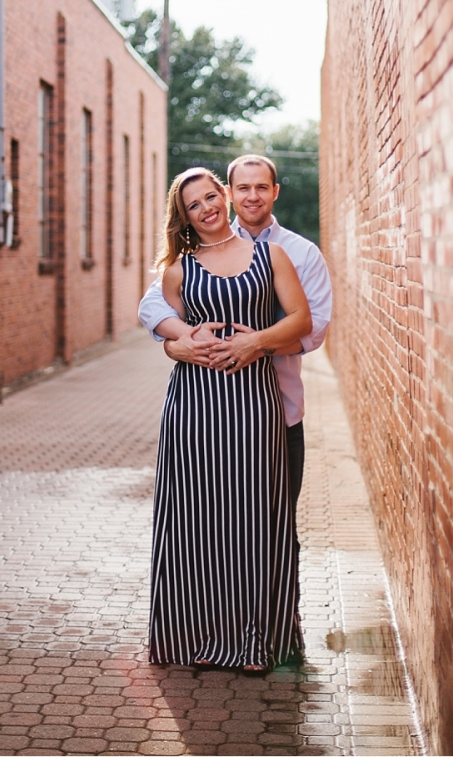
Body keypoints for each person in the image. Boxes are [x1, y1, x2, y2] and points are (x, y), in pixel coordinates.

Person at [147, 166, 312, 669]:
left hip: (255, 404)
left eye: (210, 197)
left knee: (256, 519)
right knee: (198, 521)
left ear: (225, 196)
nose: (207, 208)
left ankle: (257, 640)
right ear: (186, 216)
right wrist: (180, 349)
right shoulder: (178, 270)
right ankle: (197, 636)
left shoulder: (273, 255)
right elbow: (164, 332)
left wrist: (254, 341)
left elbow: (302, 322)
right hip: (194, 409)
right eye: (194, 205)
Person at [140, 154, 333, 515]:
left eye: (262, 187)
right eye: (243, 187)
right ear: (231, 193)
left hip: (277, 408)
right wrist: (178, 343)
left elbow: (314, 328)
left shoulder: (299, 253)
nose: (253, 196)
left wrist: (257, 344)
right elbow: (152, 307)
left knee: (274, 524)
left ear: (275, 192)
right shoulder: (195, 258)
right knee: (208, 518)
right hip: (206, 407)